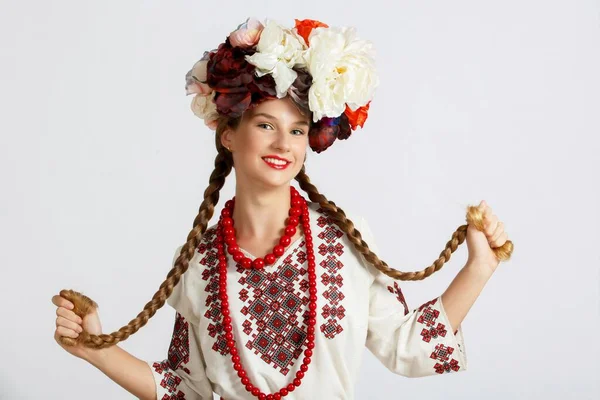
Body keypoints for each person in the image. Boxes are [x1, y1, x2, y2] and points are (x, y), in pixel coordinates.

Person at [51, 17, 512, 400]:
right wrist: (94, 348)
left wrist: (479, 267)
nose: (282, 144)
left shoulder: (344, 241)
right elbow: (184, 388)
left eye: (296, 130)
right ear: (228, 134)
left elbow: (409, 347)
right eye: (266, 124)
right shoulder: (198, 262)